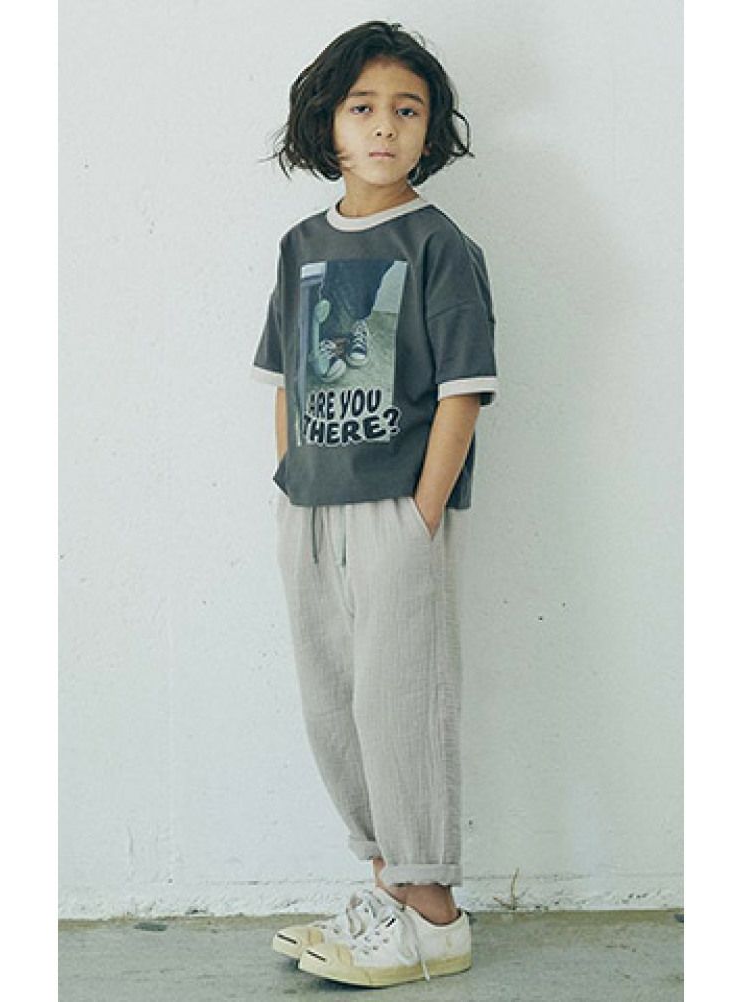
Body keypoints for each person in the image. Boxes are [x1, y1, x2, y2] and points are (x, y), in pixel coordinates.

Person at [251, 20, 498, 988]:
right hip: (309, 508)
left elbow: (463, 392)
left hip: (396, 507)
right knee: (336, 705)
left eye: (407, 109)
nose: (385, 126)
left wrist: (420, 515)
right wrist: (290, 482)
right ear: (328, 124)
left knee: (401, 704)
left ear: (430, 130)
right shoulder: (301, 245)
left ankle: (435, 915)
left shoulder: (439, 244)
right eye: (363, 108)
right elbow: (285, 378)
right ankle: (388, 890)